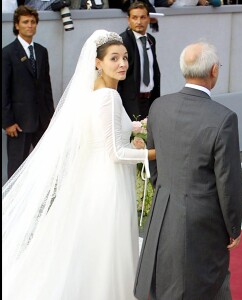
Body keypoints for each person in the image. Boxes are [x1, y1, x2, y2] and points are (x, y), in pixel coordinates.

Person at [2, 29, 155, 300]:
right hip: (108, 182)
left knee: (90, 245)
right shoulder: (108, 97)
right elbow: (116, 153)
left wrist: (140, 127)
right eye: (114, 58)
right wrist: (152, 153)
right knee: (107, 245)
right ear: (98, 63)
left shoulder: (96, 92)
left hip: (94, 177)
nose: (122, 64)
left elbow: (113, 129)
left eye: (125, 58)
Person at [134, 40, 242, 299]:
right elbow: (227, 181)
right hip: (202, 216)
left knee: (166, 275)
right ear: (214, 70)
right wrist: (233, 228)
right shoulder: (223, 118)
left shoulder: (159, 106)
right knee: (207, 280)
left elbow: (154, 158)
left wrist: (166, 189)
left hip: (164, 206)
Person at [2, 5, 55, 179]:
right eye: (25, 22)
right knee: (17, 168)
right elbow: (3, 90)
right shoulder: (7, 53)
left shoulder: (41, 51)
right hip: (18, 123)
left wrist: (51, 119)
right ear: (17, 25)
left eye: (33, 22)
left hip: (42, 121)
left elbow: (47, 89)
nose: (30, 25)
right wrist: (7, 122)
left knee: (44, 165)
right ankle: (13, 205)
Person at [118, 1, 161, 121]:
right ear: (128, 20)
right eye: (134, 17)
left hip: (150, 100)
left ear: (148, 19)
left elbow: (153, 69)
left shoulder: (151, 40)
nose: (139, 22)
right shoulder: (123, 41)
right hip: (130, 103)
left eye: (142, 17)